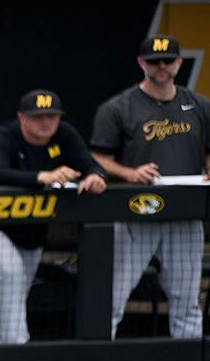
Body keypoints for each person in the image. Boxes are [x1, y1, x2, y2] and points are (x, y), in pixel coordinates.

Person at [0, 90, 107, 345]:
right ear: (22, 118)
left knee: (7, 294)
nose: (46, 122)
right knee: (11, 274)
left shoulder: (64, 135)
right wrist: (41, 177)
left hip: (30, 233)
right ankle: (18, 348)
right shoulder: (4, 136)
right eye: (38, 116)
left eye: (52, 116)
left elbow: (90, 164)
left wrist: (95, 176)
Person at [90, 35, 210, 339]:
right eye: (154, 61)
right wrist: (130, 173)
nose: (161, 67)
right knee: (114, 295)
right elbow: (97, 158)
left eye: (167, 61)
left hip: (184, 214)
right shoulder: (118, 107)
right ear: (141, 63)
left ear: (179, 63)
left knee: (186, 299)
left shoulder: (198, 105)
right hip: (135, 212)